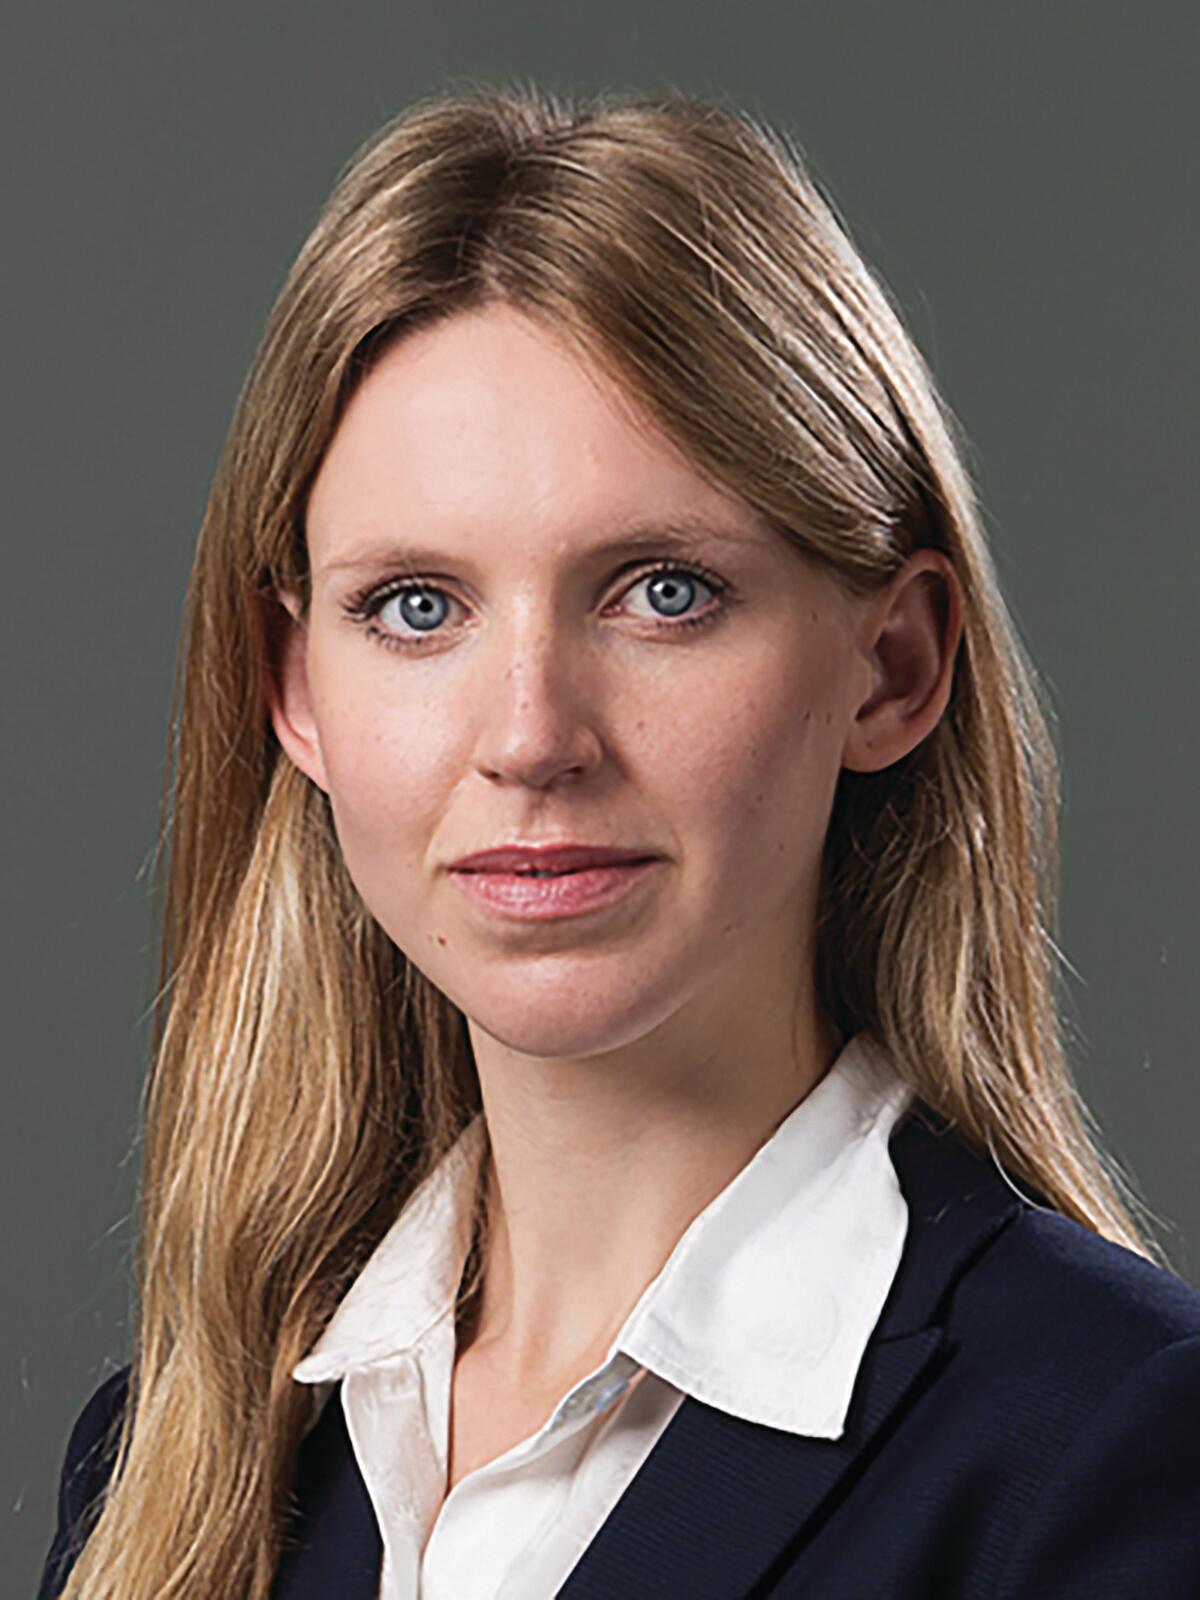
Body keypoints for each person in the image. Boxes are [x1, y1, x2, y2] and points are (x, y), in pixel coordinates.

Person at [38, 83, 1200, 1600]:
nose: (531, 736)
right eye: (416, 607)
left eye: (663, 592)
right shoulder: (163, 1476)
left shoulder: (1115, 1450)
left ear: (894, 666)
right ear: (296, 691)